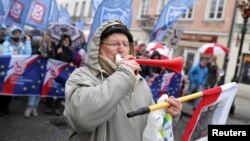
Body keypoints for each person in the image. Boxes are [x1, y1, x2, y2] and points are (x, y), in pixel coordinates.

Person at [63, 20, 182, 141]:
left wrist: (167, 114)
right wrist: (124, 75)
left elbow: (152, 127)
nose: (121, 49)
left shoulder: (140, 82)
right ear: (98, 48)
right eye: (114, 44)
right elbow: (81, 118)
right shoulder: (83, 75)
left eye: (125, 44)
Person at [0, 26, 32, 117]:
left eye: (19, 33)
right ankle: (1, 108)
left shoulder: (22, 44)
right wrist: (13, 54)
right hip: (6, 70)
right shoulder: (6, 43)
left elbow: (28, 54)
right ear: (12, 34)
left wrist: (28, 42)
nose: (18, 34)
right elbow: (4, 55)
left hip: (15, 71)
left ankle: (5, 108)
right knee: (3, 89)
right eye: (16, 33)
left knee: (10, 89)